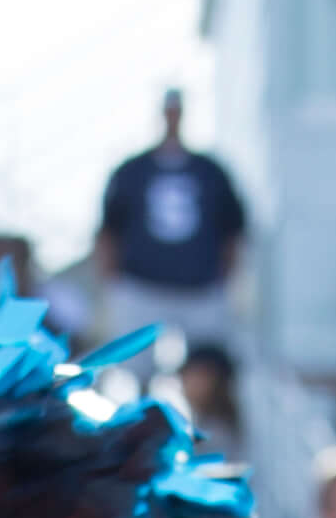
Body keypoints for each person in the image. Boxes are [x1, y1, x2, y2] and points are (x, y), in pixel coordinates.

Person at [89, 90, 251, 355]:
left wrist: (226, 280)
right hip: (141, 287)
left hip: (201, 289)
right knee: (132, 368)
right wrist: (112, 285)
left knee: (208, 364)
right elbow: (108, 231)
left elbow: (233, 231)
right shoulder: (131, 171)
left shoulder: (211, 171)